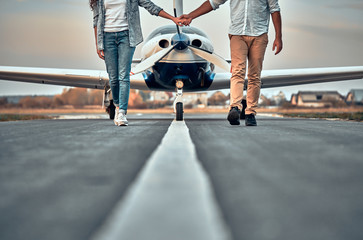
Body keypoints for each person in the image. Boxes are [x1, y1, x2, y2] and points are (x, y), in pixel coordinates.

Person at [180, 0, 282, 126]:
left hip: (259, 35)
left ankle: (250, 113)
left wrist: (278, 37)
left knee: (254, 75)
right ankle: (235, 108)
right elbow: (213, 3)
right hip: (237, 34)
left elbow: (275, 10)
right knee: (238, 71)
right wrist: (190, 16)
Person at [90, 0, 182, 126]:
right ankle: (117, 106)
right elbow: (96, 20)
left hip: (127, 36)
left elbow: (151, 7)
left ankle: (122, 112)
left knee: (124, 75)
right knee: (113, 78)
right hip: (106, 38)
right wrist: (98, 44)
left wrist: (173, 19)